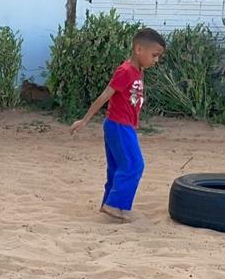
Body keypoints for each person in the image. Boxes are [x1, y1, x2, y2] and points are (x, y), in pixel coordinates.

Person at [69, 28, 166, 221]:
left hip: (123, 126)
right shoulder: (126, 71)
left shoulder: (138, 69)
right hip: (118, 126)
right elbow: (105, 95)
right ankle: (115, 205)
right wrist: (85, 120)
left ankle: (108, 204)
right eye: (154, 55)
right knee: (134, 164)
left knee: (118, 167)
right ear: (139, 49)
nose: (156, 60)